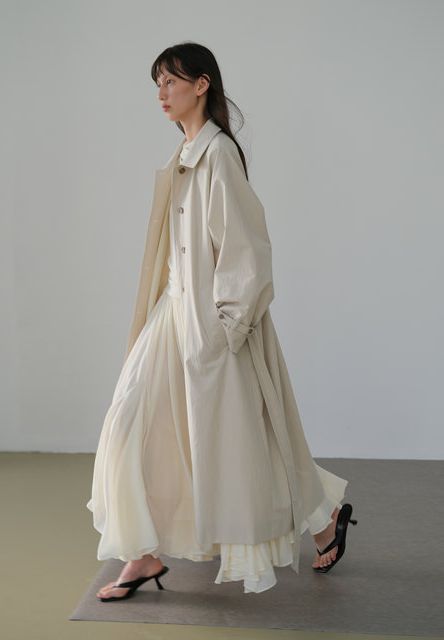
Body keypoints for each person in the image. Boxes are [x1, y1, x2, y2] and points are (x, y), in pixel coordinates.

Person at [86, 42, 357, 601]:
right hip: (174, 315)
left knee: (254, 441)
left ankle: (323, 519)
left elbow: (246, 247)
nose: (161, 93)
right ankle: (143, 552)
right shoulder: (184, 153)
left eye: (171, 80)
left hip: (216, 324)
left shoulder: (219, 155)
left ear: (202, 83)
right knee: (131, 421)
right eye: (157, 83)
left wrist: (227, 327)